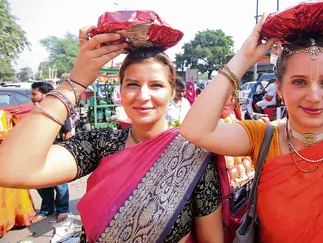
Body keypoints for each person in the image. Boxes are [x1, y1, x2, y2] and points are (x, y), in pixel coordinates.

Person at [181, 14, 323, 242]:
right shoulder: (261, 138)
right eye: (299, 82)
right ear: (280, 89)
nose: (314, 97)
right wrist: (244, 58)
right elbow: (195, 130)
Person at [0, 29, 223, 243]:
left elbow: (211, 239)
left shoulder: (193, 154)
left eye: (156, 85)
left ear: (172, 92)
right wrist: (76, 82)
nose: (143, 96)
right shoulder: (102, 144)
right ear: (121, 91)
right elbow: (10, 169)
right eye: (132, 84)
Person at [30, 82, 72, 223]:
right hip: (38, 152)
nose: (32, 97)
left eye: (34, 93)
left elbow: (68, 133)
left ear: (45, 95)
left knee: (59, 184)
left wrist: (64, 152)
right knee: (41, 183)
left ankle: (62, 209)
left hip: (55, 151)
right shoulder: (36, 111)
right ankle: (47, 209)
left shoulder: (58, 111)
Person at [0, 110, 36, 237]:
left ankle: (17, 219)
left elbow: (20, 136)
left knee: (13, 192)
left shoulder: (7, 116)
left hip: (8, 159)